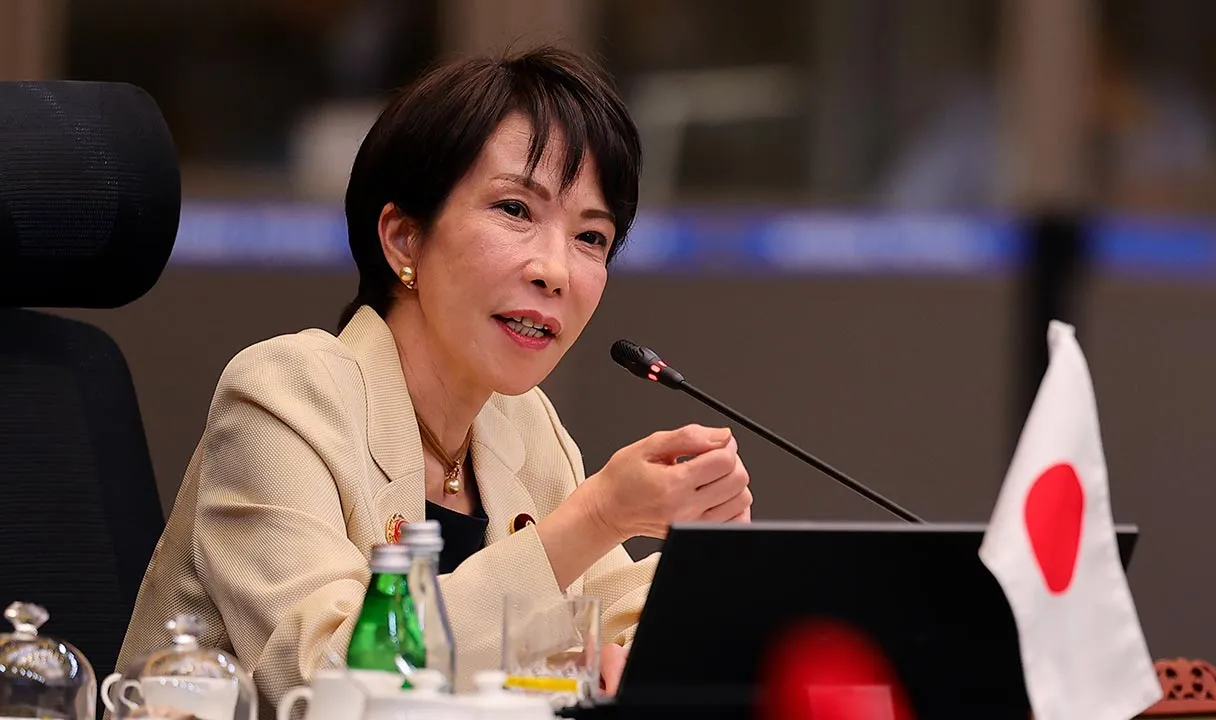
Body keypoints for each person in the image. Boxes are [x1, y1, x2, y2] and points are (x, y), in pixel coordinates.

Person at [116, 45, 752, 710]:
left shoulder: (523, 426)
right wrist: (597, 515)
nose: (556, 270)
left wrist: (712, 574)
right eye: (515, 209)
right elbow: (326, 680)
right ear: (403, 239)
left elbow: (611, 615)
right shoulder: (284, 395)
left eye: (591, 237)